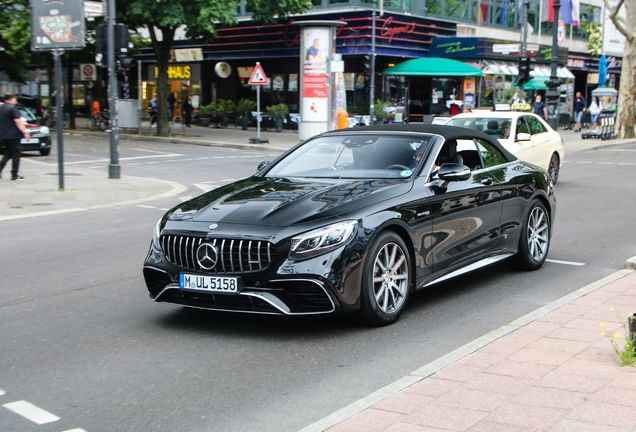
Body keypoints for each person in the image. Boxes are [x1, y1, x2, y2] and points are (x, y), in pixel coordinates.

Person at [0, 93, 29, 180]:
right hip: (14, 135)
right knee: (16, 153)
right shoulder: (12, 109)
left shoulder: (1, 108)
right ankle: (14, 174)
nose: (15, 101)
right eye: (15, 99)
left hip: (4, 135)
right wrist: (25, 132)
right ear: (12, 99)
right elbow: (18, 122)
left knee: (8, 153)